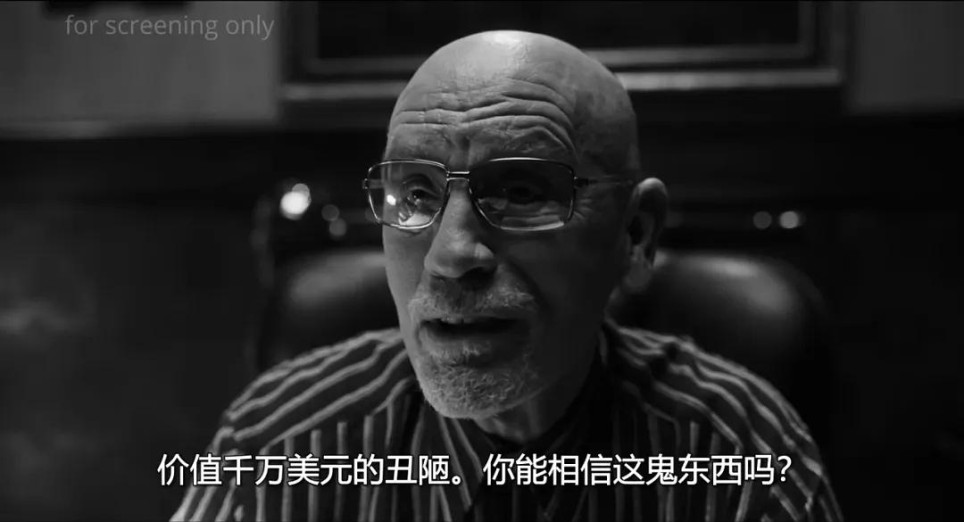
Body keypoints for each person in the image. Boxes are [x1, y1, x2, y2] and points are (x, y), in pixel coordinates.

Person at [172, 30, 842, 521]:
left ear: (634, 235)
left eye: (521, 192)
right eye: (416, 194)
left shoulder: (736, 455)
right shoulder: (284, 443)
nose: (450, 256)